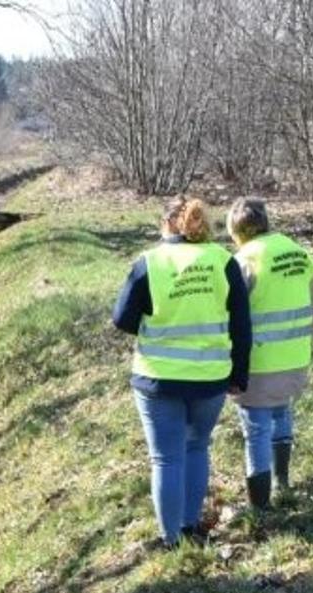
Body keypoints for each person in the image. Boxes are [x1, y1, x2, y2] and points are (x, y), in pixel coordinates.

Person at [112, 197, 252, 547]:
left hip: (158, 379)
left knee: (165, 459)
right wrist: (240, 375)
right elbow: (241, 325)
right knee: (197, 448)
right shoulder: (223, 261)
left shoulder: (149, 263)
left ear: (166, 224)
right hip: (210, 379)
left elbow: (122, 319)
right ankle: (190, 528)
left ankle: (170, 540)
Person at [226, 198, 313, 510]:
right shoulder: (298, 252)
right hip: (295, 355)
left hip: (259, 361)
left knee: (256, 428)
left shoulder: (244, 260)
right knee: (281, 413)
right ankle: (283, 481)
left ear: (236, 231)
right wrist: (308, 346)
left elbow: (232, 315)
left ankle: (260, 506)